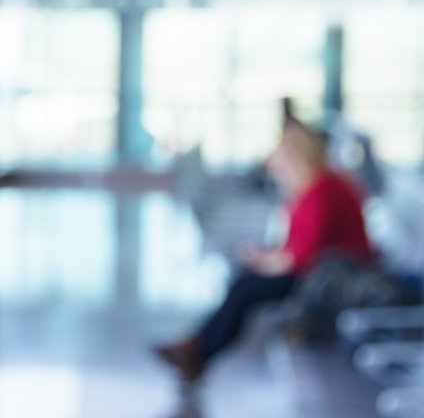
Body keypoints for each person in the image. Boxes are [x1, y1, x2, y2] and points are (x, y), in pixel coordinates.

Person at [155, 119, 373, 385]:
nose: (277, 173)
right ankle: (197, 347)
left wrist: (267, 261)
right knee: (244, 281)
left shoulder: (323, 190)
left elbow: (305, 257)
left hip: (333, 278)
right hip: (320, 270)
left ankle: (198, 350)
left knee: (246, 287)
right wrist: (266, 257)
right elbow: (299, 245)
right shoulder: (313, 185)